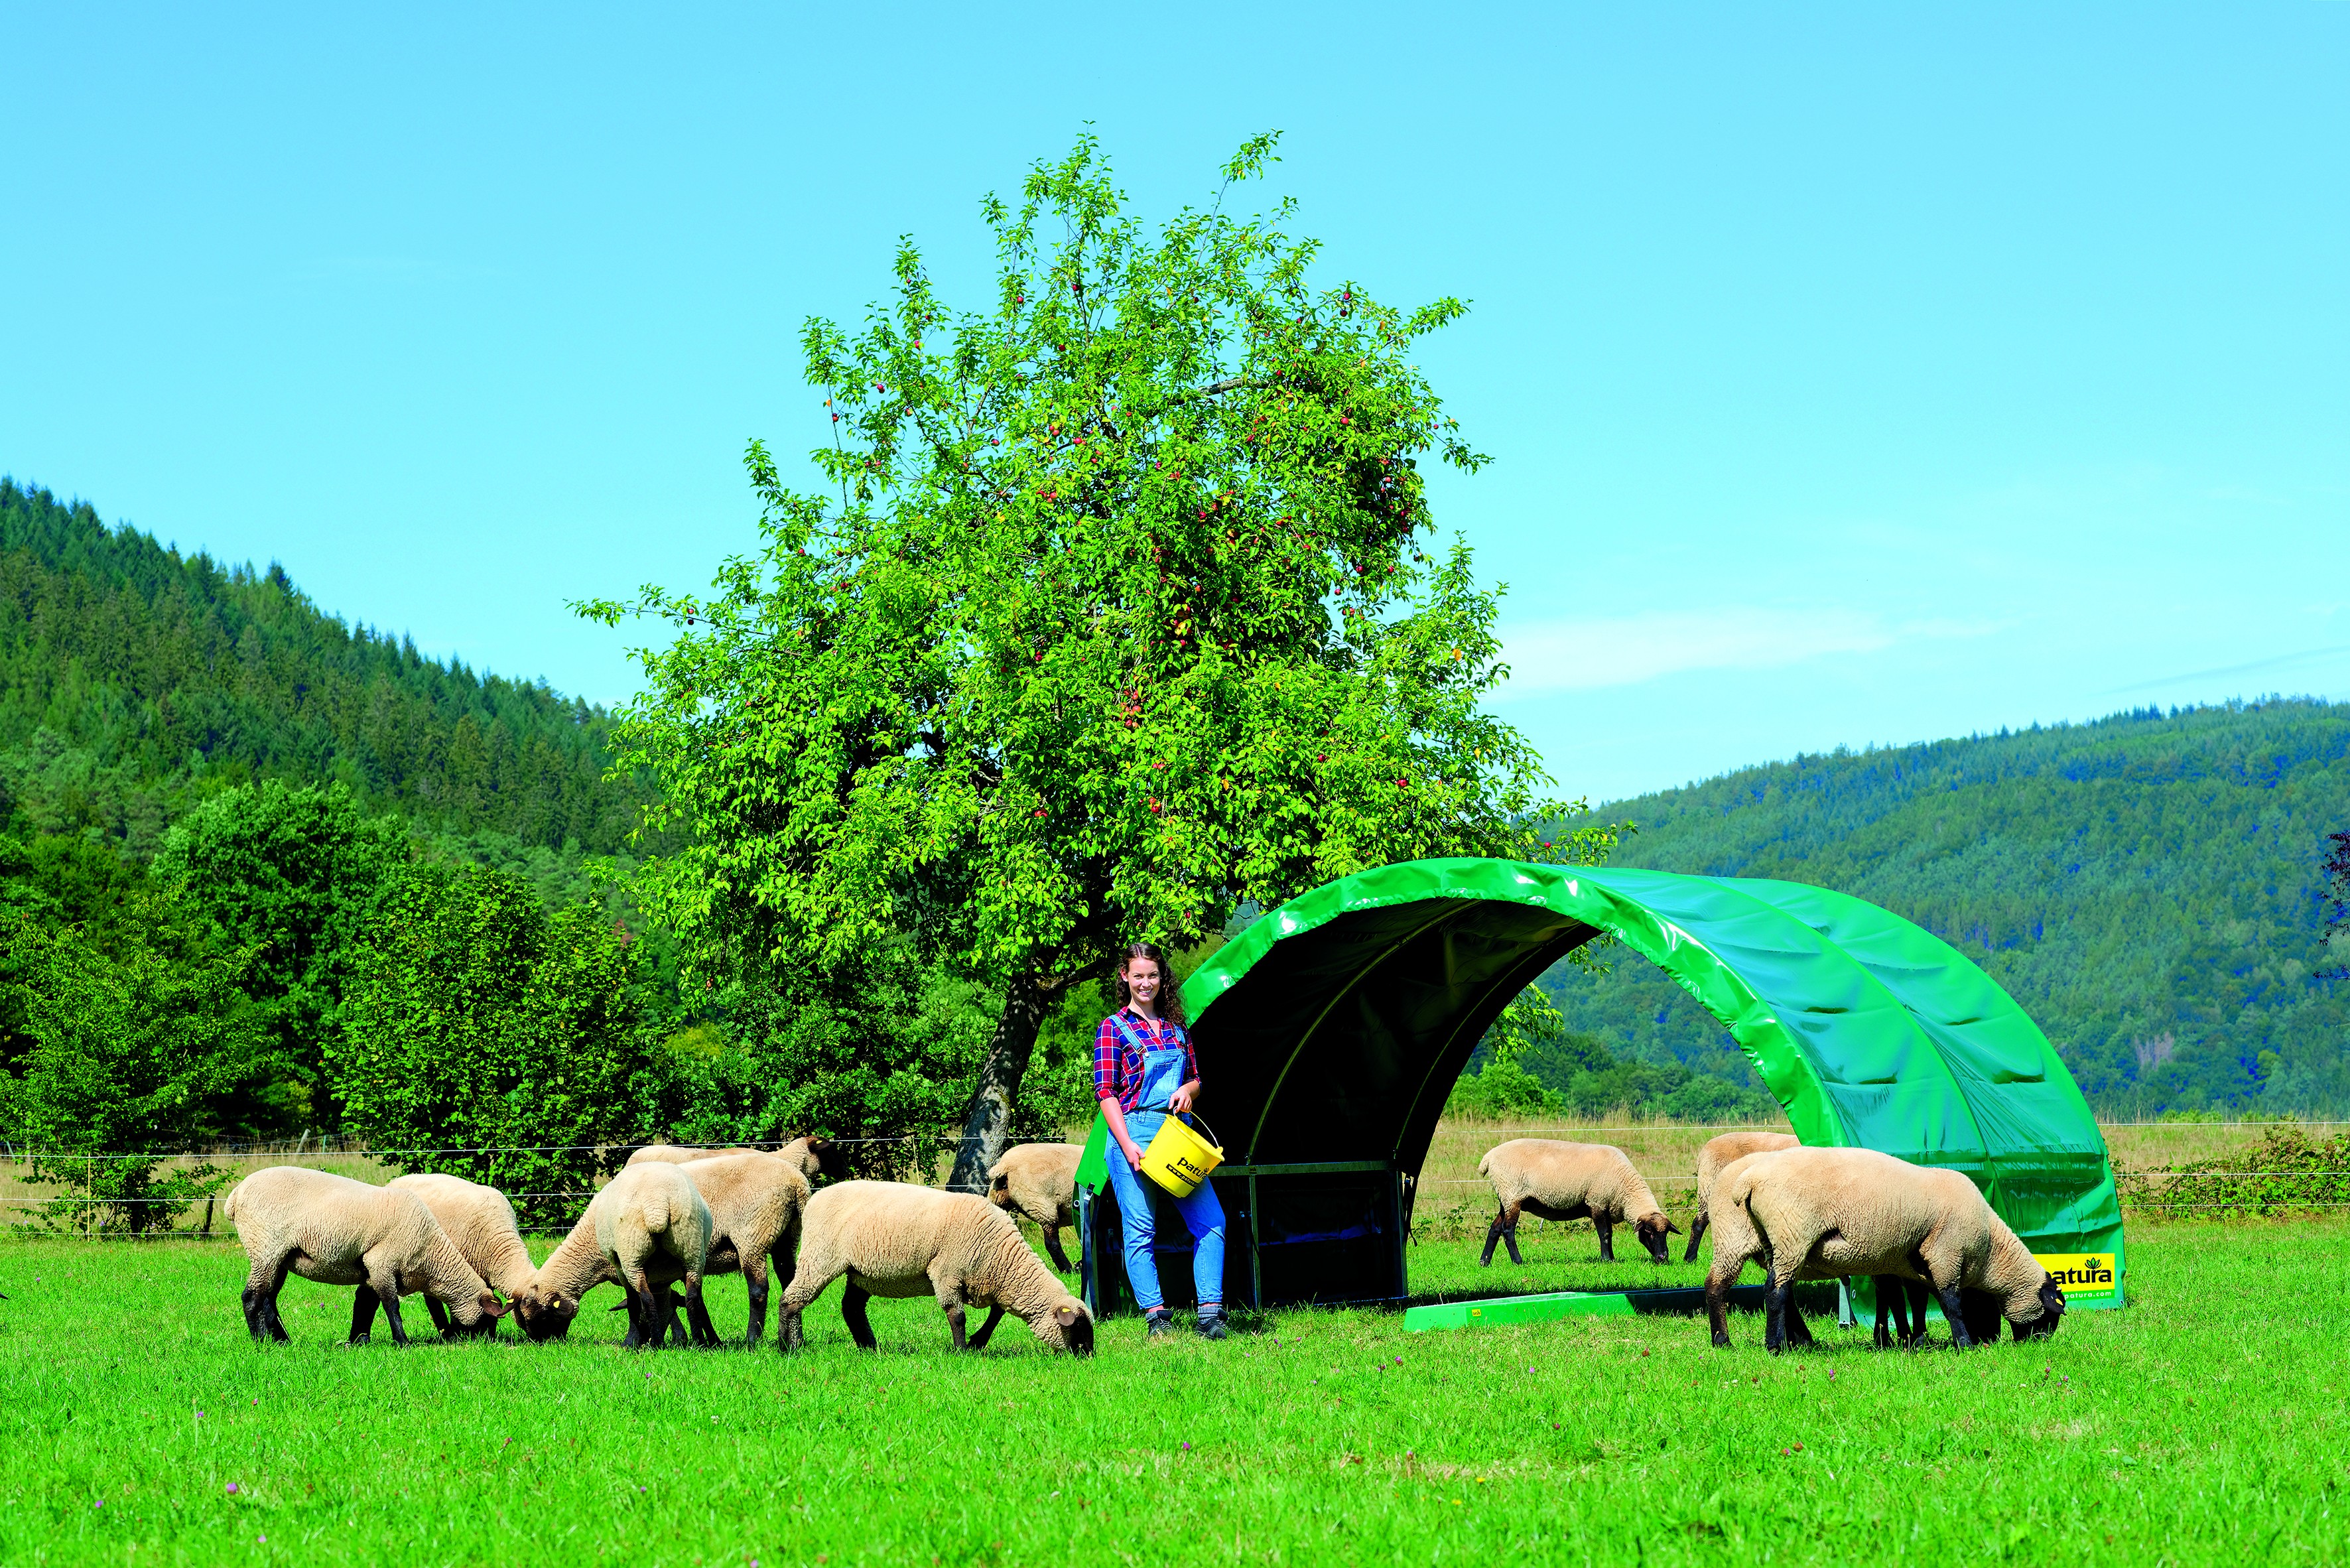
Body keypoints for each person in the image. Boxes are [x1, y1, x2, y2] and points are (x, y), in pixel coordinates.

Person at [1095, 941, 1228, 1340]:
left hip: (1175, 1135)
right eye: (1138, 976)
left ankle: (1210, 1315)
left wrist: (1190, 1089)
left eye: (1152, 975)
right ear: (1125, 977)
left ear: (1161, 978)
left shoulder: (1176, 1029)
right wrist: (1126, 1144)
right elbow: (1106, 1094)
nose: (1146, 983)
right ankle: (1157, 1318)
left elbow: (1197, 1078)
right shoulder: (1112, 1028)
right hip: (1131, 1134)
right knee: (1140, 1231)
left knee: (1212, 1222)